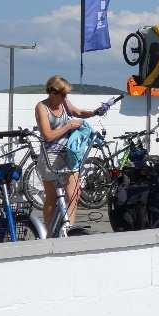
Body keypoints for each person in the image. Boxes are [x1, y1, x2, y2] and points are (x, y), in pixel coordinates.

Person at [34, 75, 108, 231]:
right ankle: (49, 233)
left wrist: (95, 112)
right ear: (52, 92)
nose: (65, 97)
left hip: (69, 154)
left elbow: (78, 112)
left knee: (73, 194)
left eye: (66, 95)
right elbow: (47, 136)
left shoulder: (64, 102)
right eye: (63, 94)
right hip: (51, 157)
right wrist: (69, 126)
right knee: (52, 198)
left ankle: (68, 229)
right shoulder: (41, 107)